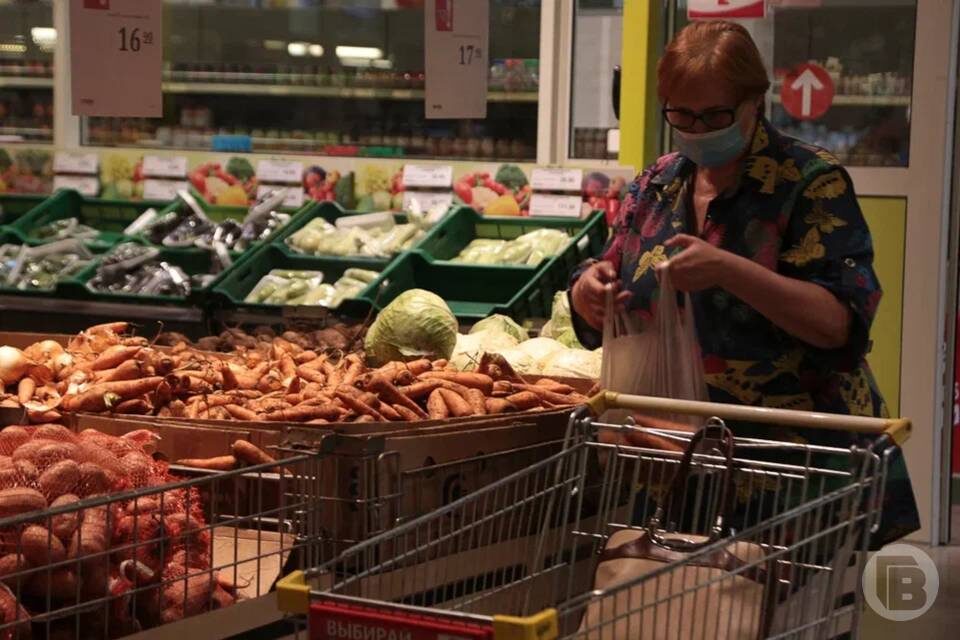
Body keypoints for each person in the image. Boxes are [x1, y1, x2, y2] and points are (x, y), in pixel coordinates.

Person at [569, 20, 919, 547]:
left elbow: (840, 324)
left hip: (794, 471)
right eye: (681, 114)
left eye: (715, 115)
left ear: (754, 101)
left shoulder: (809, 181)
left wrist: (731, 271)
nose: (697, 128)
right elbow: (609, 271)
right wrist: (587, 291)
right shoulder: (658, 183)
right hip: (680, 466)